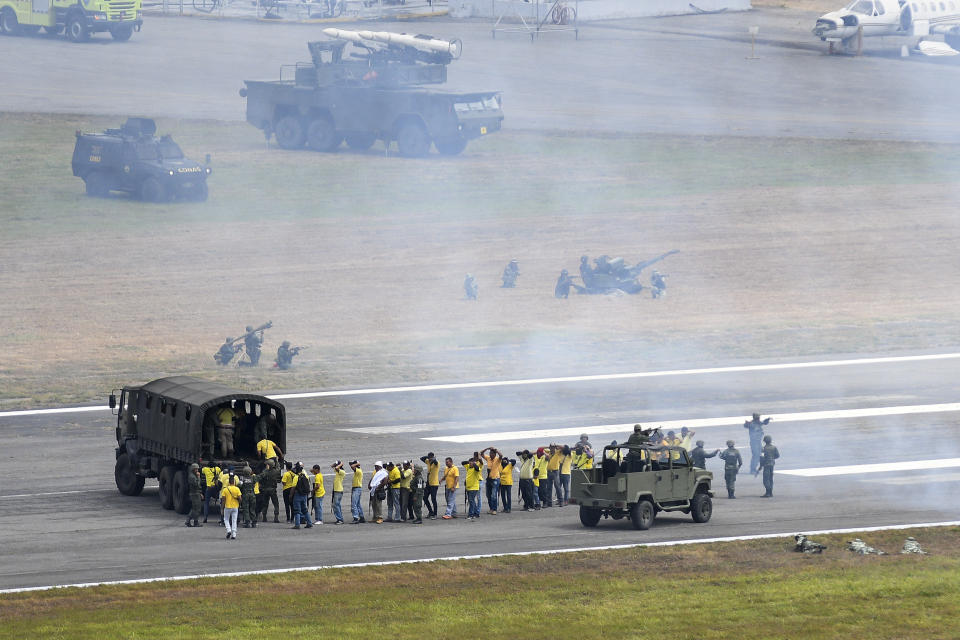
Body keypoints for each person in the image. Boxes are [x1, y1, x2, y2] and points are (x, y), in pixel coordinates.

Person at [291, 462, 314, 529]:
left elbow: (293, 488)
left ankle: (297, 524)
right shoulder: (305, 475)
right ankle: (309, 523)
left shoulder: (296, 477)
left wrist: (290, 496)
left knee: (297, 510)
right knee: (305, 510)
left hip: (297, 495)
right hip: (304, 495)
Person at [219, 473, 242, 540]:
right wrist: (239, 503)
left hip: (227, 507)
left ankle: (229, 530)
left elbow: (223, 500)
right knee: (234, 520)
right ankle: (234, 534)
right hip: (235, 507)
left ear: (229, 482)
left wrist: (222, 508)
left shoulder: (225, 490)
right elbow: (240, 499)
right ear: (234, 482)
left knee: (226, 519)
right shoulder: (237, 489)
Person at [257, 459, 281, 523]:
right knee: (276, 504)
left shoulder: (265, 471)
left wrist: (266, 469)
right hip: (273, 490)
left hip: (265, 490)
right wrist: (277, 461)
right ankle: (276, 517)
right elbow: (279, 468)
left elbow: (261, 476)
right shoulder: (275, 471)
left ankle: (264, 517)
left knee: (265, 504)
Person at [480, 447, 501, 515]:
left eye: (492, 453)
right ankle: (491, 508)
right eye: (490, 453)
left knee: (494, 495)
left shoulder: (497, 459)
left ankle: (494, 509)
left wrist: (496, 450)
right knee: (488, 495)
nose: (490, 455)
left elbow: (501, 455)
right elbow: (481, 453)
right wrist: (487, 448)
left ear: (495, 454)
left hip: (495, 479)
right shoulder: (488, 458)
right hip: (489, 479)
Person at [419, 452, 441, 519]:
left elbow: (436, 462)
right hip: (428, 483)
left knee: (433, 499)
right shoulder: (428, 461)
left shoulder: (436, 463)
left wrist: (434, 459)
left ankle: (435, 514)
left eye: (431, 458)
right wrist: (428, 458)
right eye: (429, 458)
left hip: (434, 484)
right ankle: (430, 512)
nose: (430, 459)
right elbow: (421, 458)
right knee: (425, 498)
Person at [200, 460, 221, 524]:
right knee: (220, 502)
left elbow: (201, 470)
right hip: (216, 488)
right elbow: (220, 469)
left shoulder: (206, 469)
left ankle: (205, 518)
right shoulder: (217, 469)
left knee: (206, 503)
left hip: (209, 488)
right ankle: (221, 518)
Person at [185, 463, 204, 528]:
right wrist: (199, 477)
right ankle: (190, 521)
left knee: (197, 508)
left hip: (196, 493)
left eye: (197, 469)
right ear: (193, 469)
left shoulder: (193, 475)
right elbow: (197, 484)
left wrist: (200, 493)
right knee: (196, 508)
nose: (197, 470)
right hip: (194, 494)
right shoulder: (192, 477)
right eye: (196, 469)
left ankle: (194, 521)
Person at [331, 460, 346, 525]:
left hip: (338, 490)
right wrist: (336, 464)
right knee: (337, 505)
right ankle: (339, 518)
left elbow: (336, 468)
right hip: (336, 490)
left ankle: (340, 519)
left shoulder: (342, 472)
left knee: (336, 505)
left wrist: (340, 464)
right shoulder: (337, 471)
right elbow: (332, 466)